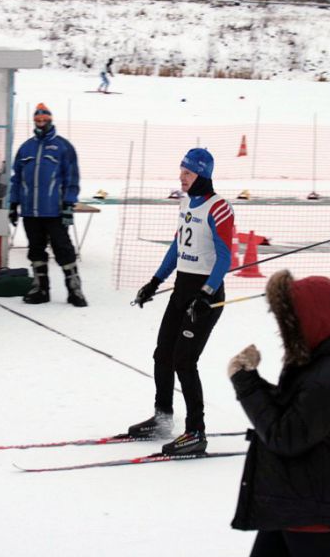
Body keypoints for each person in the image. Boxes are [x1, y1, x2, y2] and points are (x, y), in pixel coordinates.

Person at [227, 270, 330, 557]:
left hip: (310, 500)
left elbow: (284, 436)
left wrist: (246, 385)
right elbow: (291, 413)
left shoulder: (327, 378)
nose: (282, 332)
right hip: (295, 493)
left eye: (288, 324)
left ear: (309, 322)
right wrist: (250, 377)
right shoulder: (318, 359)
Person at [130, 148, 234, 455]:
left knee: (185, 362)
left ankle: (195, 432)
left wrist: (206, 294)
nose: (181, 177)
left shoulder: (219, 208)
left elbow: (225, 257)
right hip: (181, 290)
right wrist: (154, 282)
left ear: (202, 174)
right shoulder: (187, 202)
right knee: (162, 354)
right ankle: (162, 419)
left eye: (187, 173)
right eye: (181, 171)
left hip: (205, 295)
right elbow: (177, 247)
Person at [8, 102, 87, 307]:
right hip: (30, 211)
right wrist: (13, 203)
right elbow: (16, 178)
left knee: (63, 248)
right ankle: (40, 288)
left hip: (54, 210)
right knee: (36, 249)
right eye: (37, 120)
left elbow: (72, 178)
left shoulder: (63, 147)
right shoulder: (26, 148)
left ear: (51, 121)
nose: (41, 123)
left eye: (44, 120)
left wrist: (69, 204)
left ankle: (74, 289)